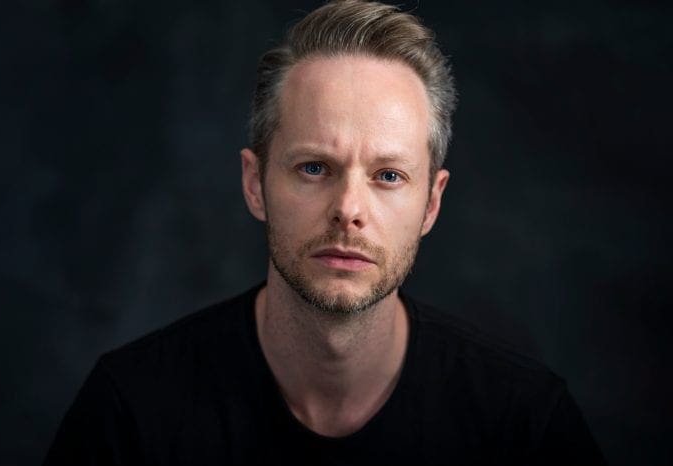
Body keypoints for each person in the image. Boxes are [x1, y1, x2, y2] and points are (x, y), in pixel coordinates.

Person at [44, 1, 606, 464]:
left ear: (431, 204)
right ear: (255, 183)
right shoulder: (131, 411)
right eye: (314, 168)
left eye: (389, 176)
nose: (348, 209)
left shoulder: (525, 424)